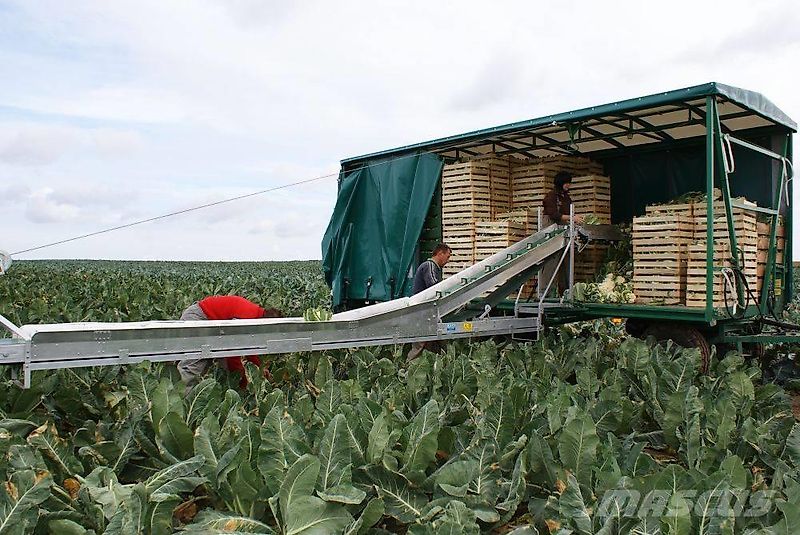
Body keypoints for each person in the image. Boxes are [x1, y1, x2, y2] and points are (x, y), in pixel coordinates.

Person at [177, 295, 281, 389]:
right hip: (199, 318)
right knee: (193, 367)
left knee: (222, 368)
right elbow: (232, 354)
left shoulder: (255, 317)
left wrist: (258, 369)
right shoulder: (246, 317)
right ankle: (179, 403)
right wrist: (243, 383)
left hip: (215, 327)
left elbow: (250, 350)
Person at [540, 172, 583, 296]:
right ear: (560, 183)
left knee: (566, 261)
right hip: (552, 233)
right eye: (566, 183)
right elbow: (553, 214)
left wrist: (575, 218)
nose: (568, 185)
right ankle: (546, 293)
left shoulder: (566, 197)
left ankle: (565, 291)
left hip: (564, 232)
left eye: (569, 183)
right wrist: (572, 217)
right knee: (551, 262)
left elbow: (568, 213)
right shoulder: (551, 196)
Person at [408, 243, 451, 361]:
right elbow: (434, 287)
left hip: (428, 314)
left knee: (435, 345)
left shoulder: (433, 267)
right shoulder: (430, 266)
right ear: (440, 253)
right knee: (420, 346)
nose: (447, 261)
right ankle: (407, 371)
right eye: (447, 257)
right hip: (423, 314)